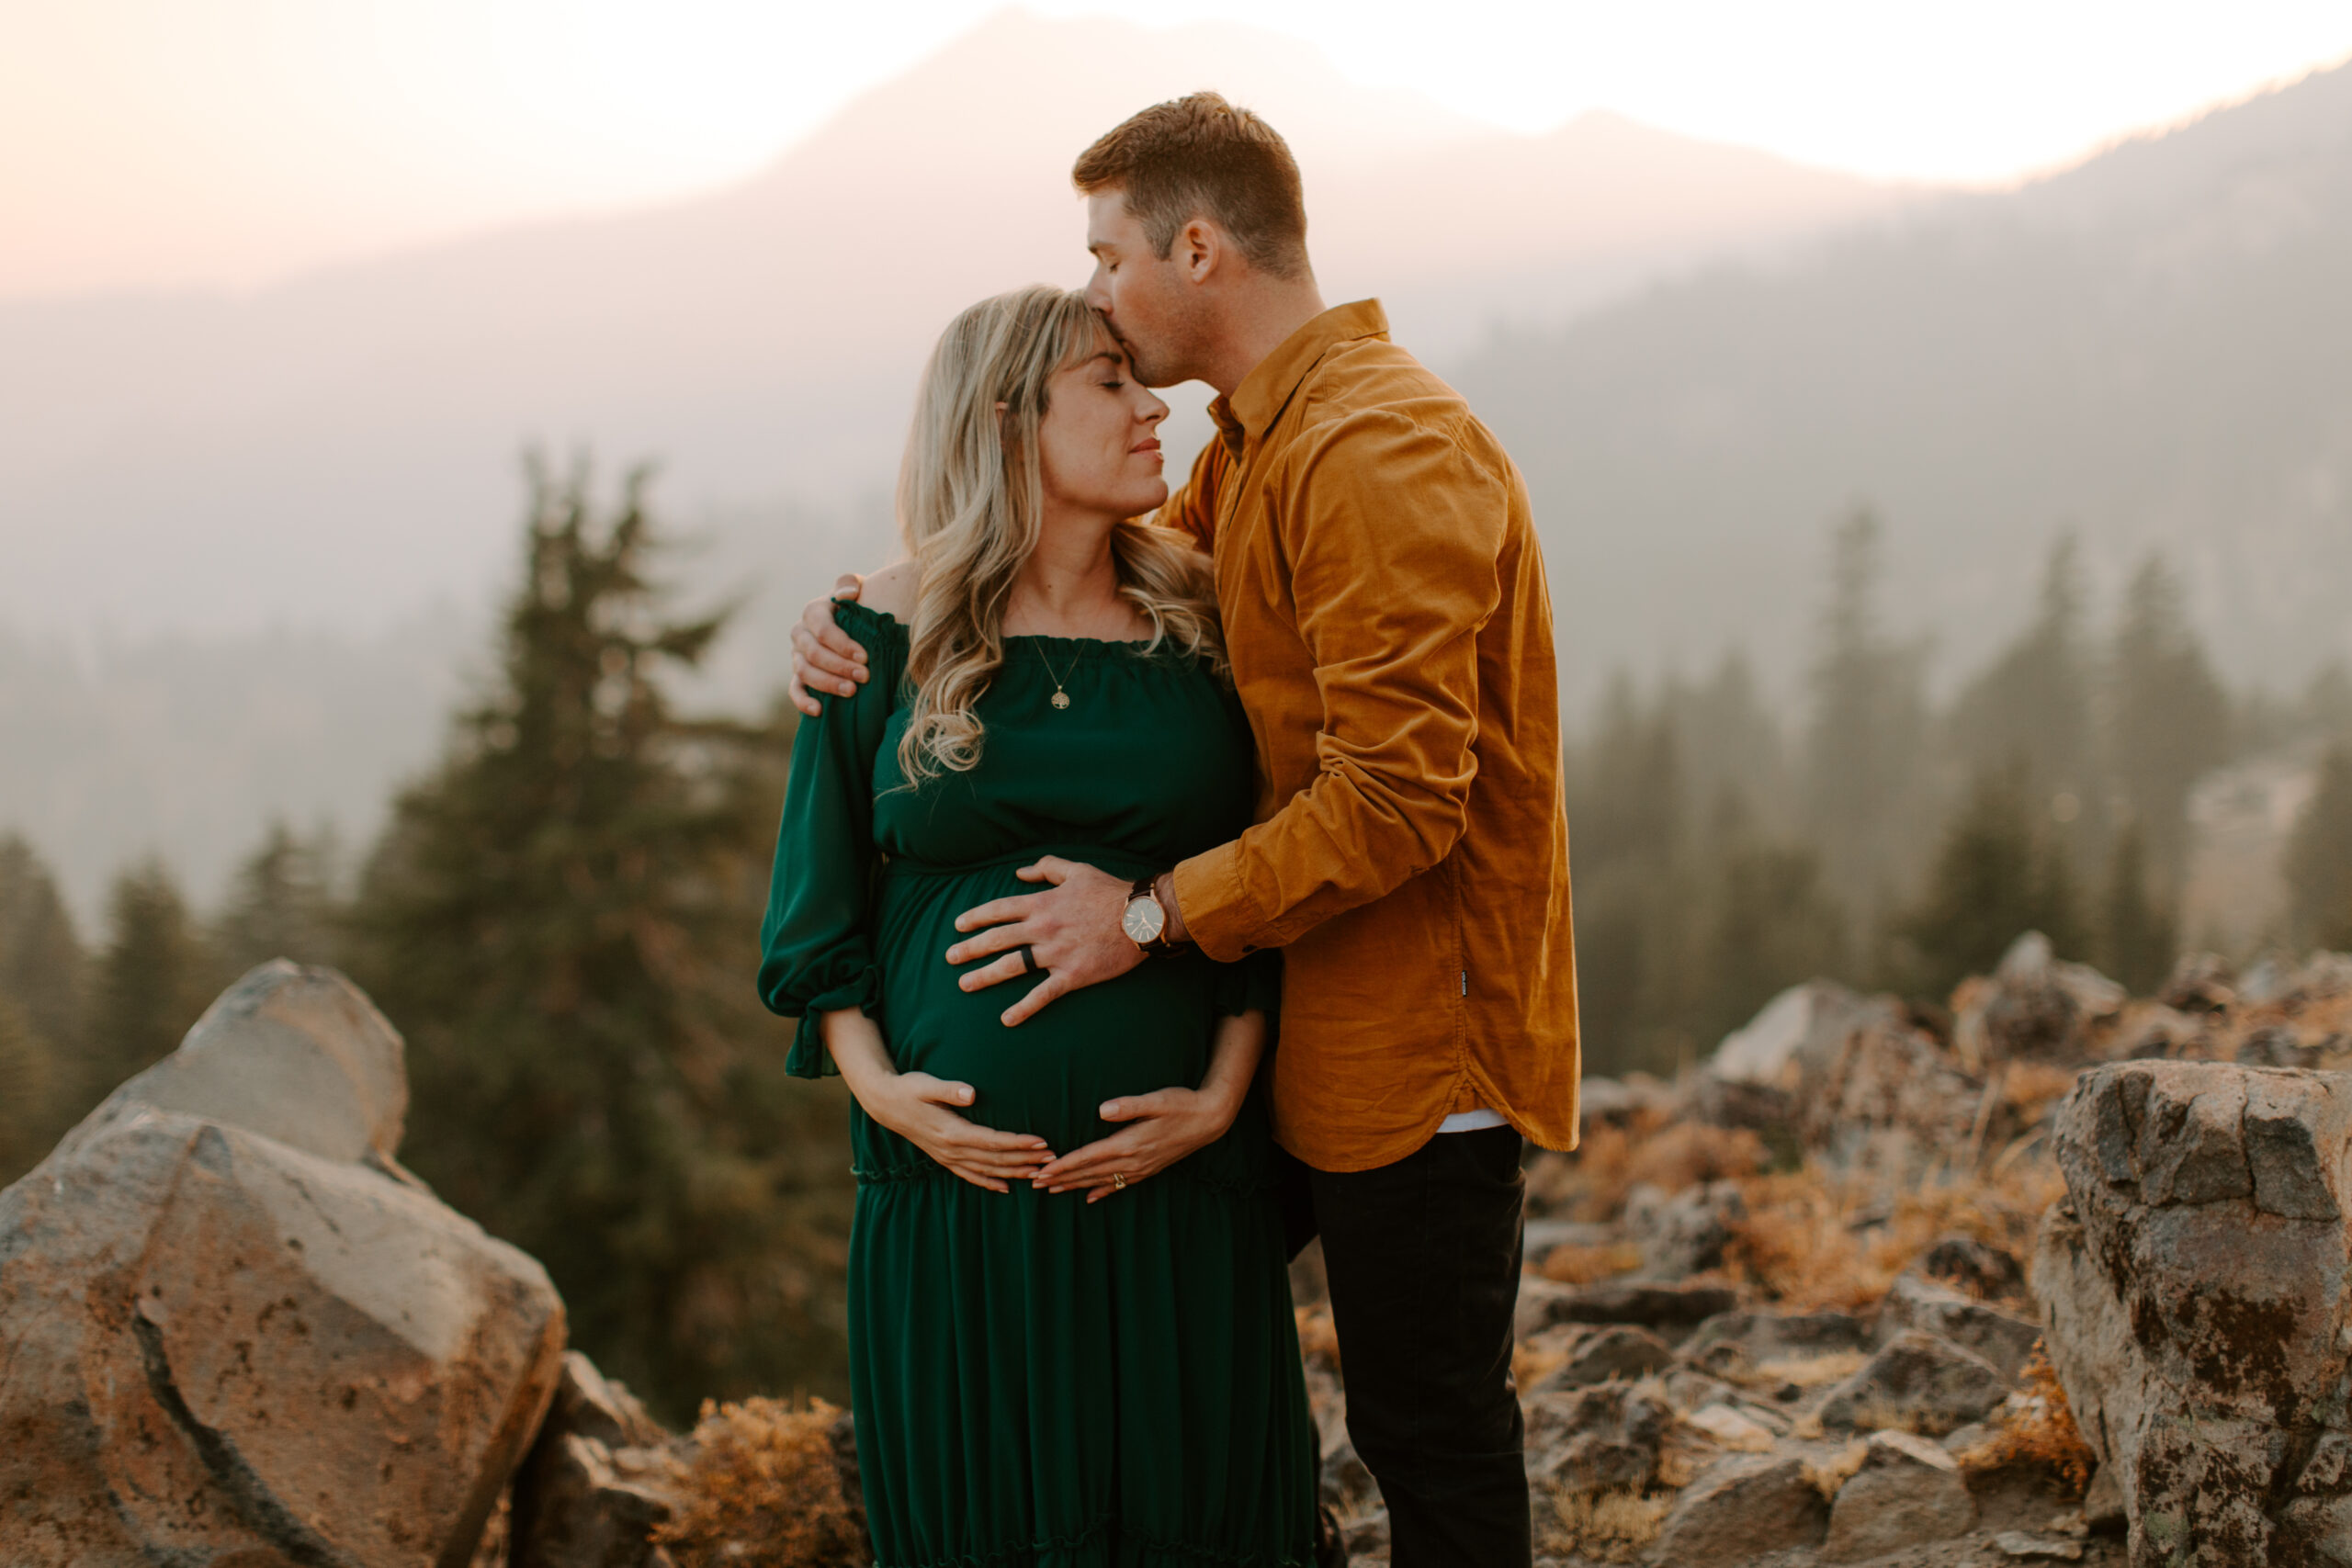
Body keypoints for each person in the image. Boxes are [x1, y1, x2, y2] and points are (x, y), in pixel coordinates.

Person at [793, 96, 1577, 1567]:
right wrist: (866, 616)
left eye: (1105, 257)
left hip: (1419, 1051)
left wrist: (1143, 918)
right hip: (1318, 1045)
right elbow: (1070, 569)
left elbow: (1402, 800)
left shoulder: (1377, 451)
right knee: (1202, 1402)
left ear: (1197, 246)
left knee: (1430, 1442)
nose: (1094, 289)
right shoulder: (1258, 454)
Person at [757, 283, 1319, 1568]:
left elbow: (1267, 869)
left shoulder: (1212, 617)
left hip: (1179, 1185)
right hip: (958, 1205)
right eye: (1108, 382)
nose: (1150, 403)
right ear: (1010, 423)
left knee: (1207, 1527)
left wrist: (1223, 1098)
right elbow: (816, 920)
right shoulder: (874, 637)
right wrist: (888, 1099)